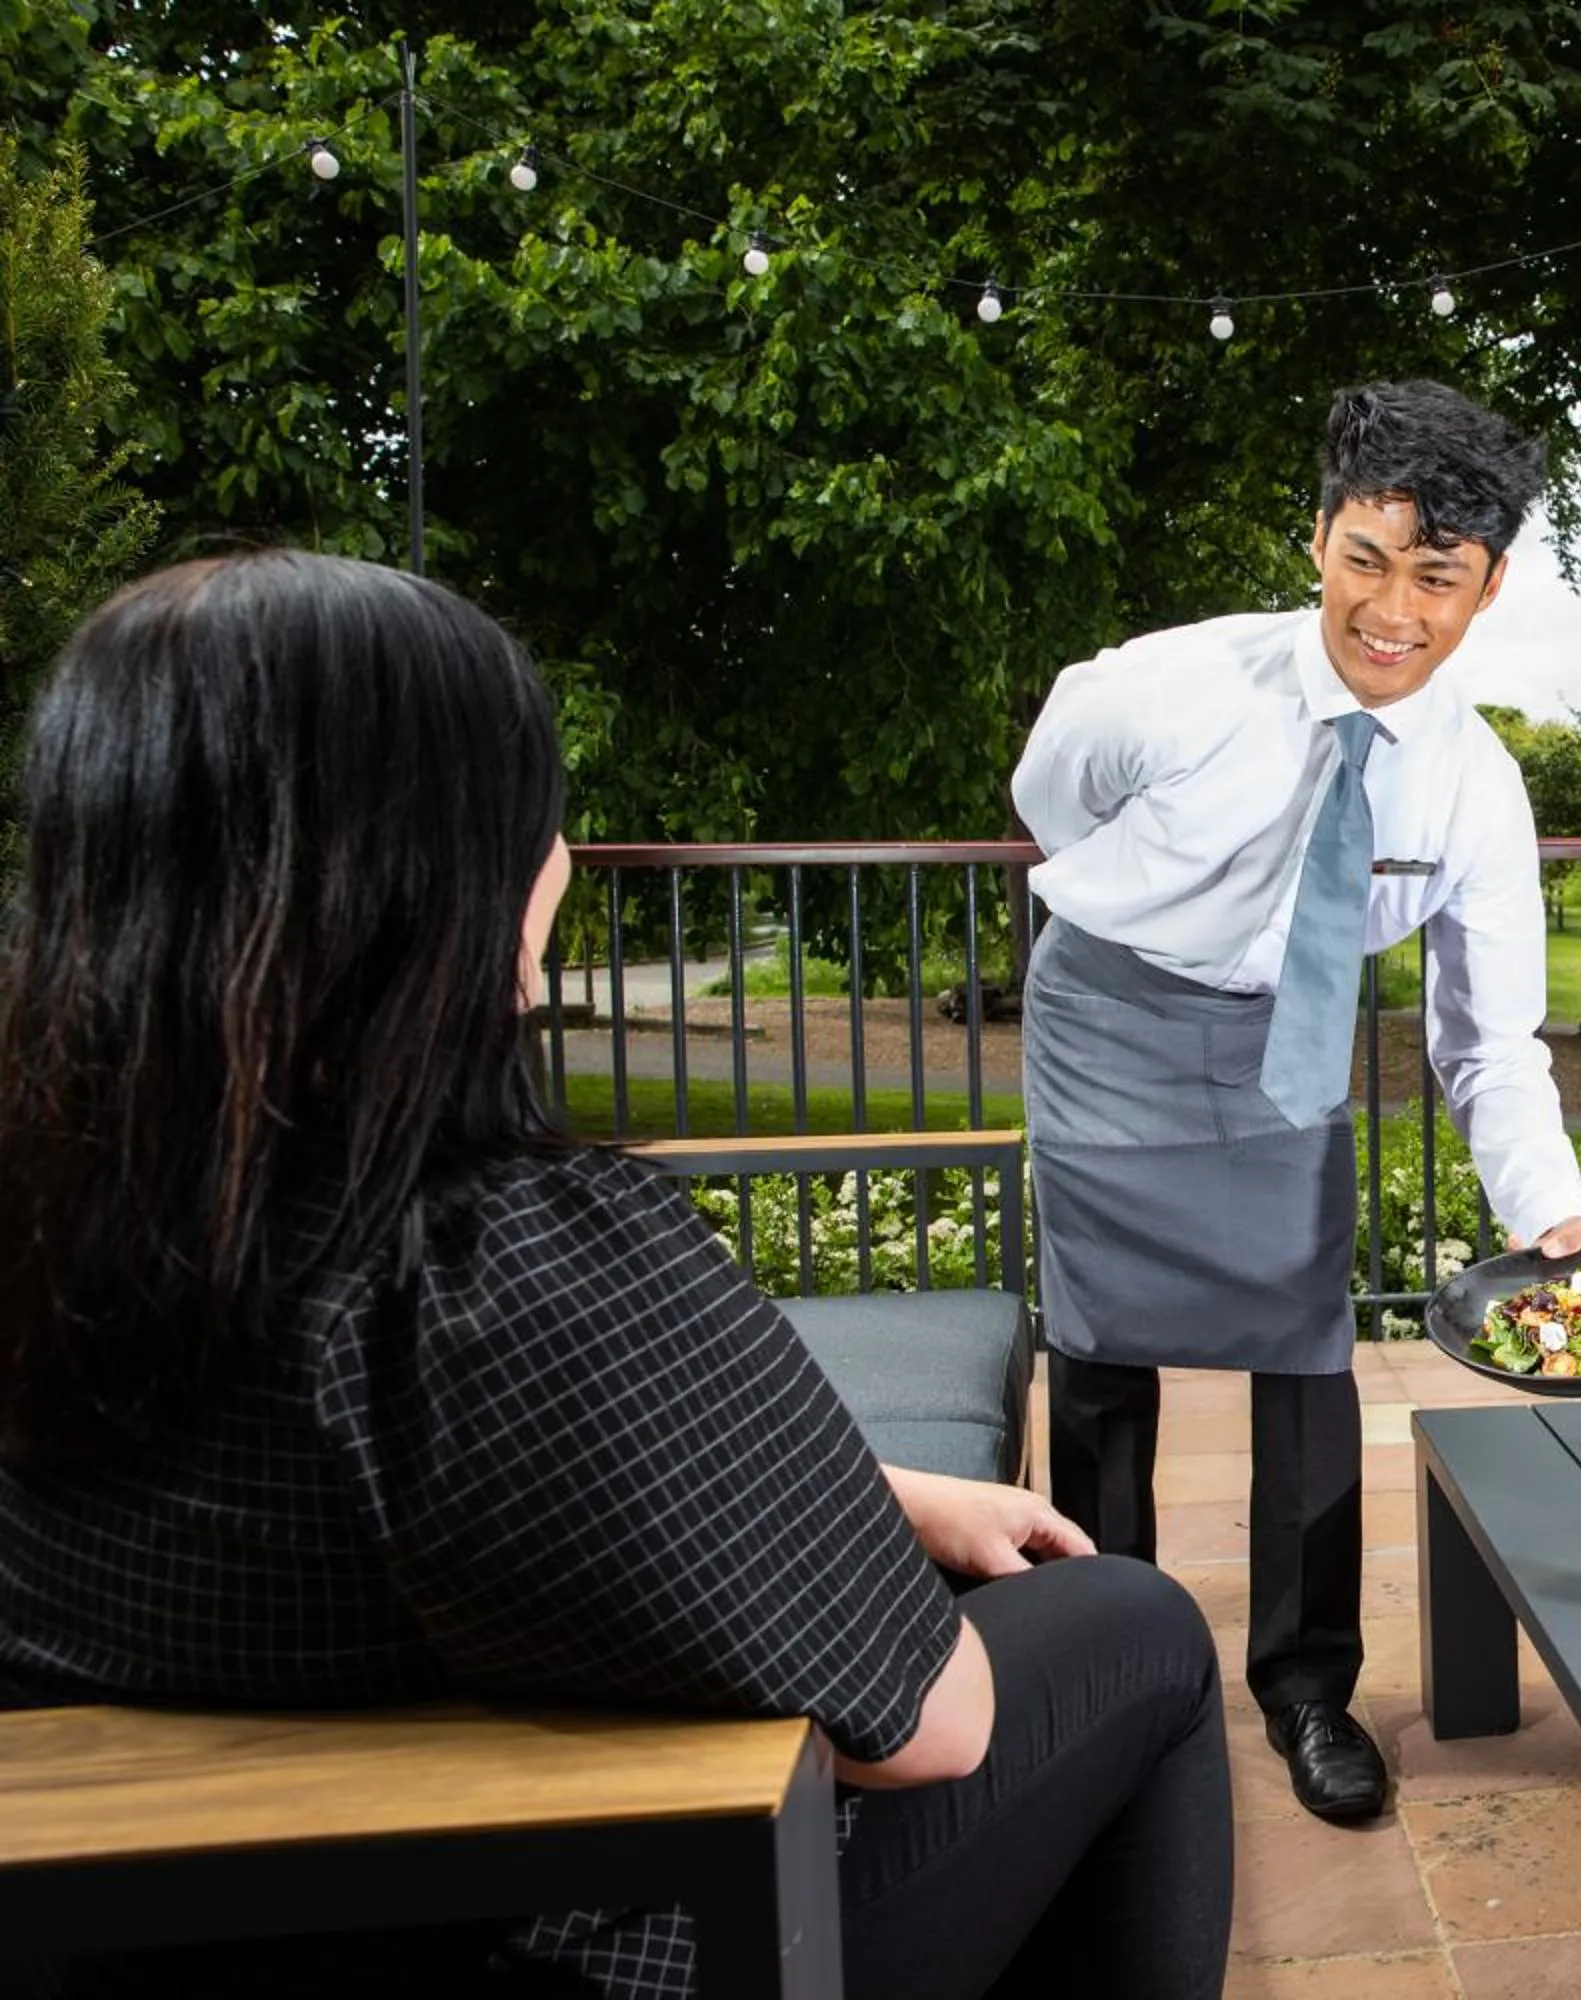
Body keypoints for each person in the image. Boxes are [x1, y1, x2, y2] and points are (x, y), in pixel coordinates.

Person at [0, 551, 1232, 1999]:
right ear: (438, 873)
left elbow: (434, 1523)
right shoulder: (498, 1271)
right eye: (537, 816)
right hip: (595, 1940)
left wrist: (885, 1497)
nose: (562, 860)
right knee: (1136, 1631)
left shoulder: (75, 1216)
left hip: (159, 1937)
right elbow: (931, 1723)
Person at [1011, 381, 1581, 1824]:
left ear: (1489, 587)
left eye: (1437, 575)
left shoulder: (1474, 786)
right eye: (1365, 558)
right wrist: (1178, 912)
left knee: (1304, 1352)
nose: (1391, 608)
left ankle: (1307, 1691)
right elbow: (1054, 798)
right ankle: (1109, 1684)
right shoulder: (1161, 688)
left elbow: (1488, 1035)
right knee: (1098, 1366)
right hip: (1112, 1014)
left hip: (1291, 1038)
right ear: (1320, 541)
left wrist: (1552, 1210)